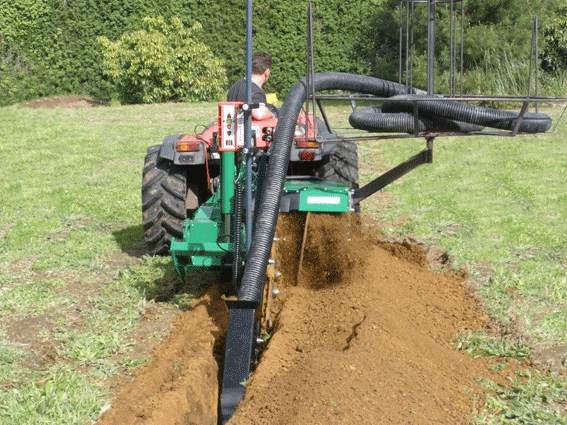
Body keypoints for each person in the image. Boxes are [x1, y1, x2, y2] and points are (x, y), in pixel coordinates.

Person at [227, 51, 277, 120]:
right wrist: (272, 114)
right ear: (267, 72)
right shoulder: (255, 91)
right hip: (247, 130)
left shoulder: (235, 87)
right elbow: (259, 113)